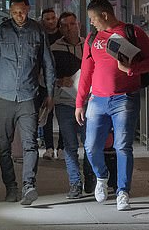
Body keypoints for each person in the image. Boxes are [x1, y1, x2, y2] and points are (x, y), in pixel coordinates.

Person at [75, 0, 149, 211]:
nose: (91, 23)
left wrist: (131, 69)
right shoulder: (92, 38)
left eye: (93, 18)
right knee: (91, 147)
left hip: (125, 98)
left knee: (123, 146)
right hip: (97, 100)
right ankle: (101, 176)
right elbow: (86, 72)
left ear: (104, 15)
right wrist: (79, 102)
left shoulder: (133, 32)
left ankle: (123, 192)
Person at [0, 0, 56, 206]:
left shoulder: (37, 31)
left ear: (28, 9)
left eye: (21, 12)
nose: (18, 16)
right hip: (3, 96)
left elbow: (48, 64)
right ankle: (11, 186)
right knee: (3, 145)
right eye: (14, 13)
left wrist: (50, 93)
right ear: (10, 12)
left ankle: (29, 184)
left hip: (28, 96)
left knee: (30, 143)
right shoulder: (2, 32)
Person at [51, 12, 92, 198]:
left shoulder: (89, 45)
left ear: (79, 25)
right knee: (70, 145)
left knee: (90, 143)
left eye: (72, 24)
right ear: (60, 29)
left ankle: (91, 178)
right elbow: (44, 76)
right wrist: (59, 81)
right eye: (65, 25)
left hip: (89, 102)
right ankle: (75, 183)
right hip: (66, 102)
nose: (70, 28)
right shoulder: (54, 49)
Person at [39, 8, 64, 159]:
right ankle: (49, 147)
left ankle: (61, 147)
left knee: (62, 113)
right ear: (43, 20)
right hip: (44, 80)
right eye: (47, 19)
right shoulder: (40, 36)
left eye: (53, 18)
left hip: (62, 80)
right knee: (46, 113)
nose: (51, 21)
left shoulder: (62, 35)